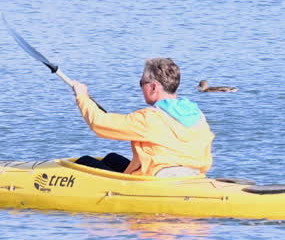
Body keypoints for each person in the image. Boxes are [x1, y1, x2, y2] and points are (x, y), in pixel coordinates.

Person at [67, 58, 213, 178]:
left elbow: (99, 123)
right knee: (111, 158)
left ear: (154, 87)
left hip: (157, 180)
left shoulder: (150, 119)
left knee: (84, 162)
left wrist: (82, 96)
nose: (141, 88)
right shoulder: (198, 115)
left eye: (142, 83)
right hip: (192, 175)